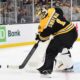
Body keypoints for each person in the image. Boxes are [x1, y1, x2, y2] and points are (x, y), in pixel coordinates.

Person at [35, 6, 78, 75]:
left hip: (64, 34)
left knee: (51, 50)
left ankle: (47, 69)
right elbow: (60, 10)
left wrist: (39, 36)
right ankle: (69, 65)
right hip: (73, 31)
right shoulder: (53, 10)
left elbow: (44, 38)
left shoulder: (44, 24)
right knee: (63, 49)